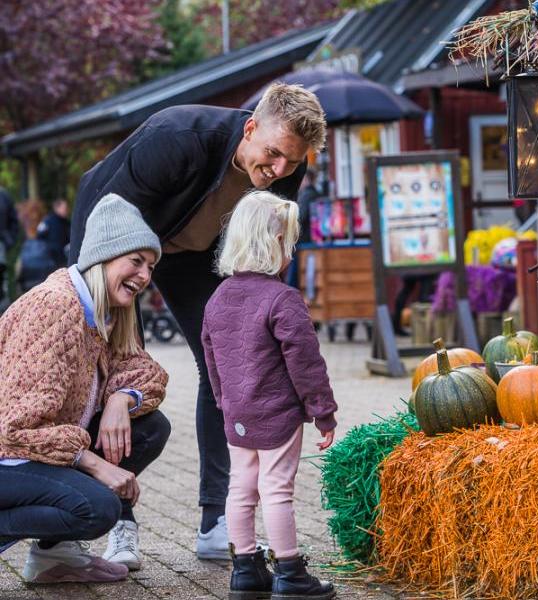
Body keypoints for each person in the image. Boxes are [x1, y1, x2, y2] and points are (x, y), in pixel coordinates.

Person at [69, 83, 327, 559]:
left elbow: (266, 250)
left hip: (196, 256)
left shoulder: (289, 163)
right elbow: (108, 218)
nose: (278, 172)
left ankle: (217, 520)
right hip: (119, 245)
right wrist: (100, 311)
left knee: (229, 368)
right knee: (119, 374)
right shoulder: (177, 137)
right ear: (250, 128)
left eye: (291, 162)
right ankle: (120, 522)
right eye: (271, 155)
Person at [0, 193, 170, 582]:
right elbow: (18, 430)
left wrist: (119, 400)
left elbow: (148, 372)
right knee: (96, 508)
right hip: (8, 454)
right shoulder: (56, 307)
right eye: (136, 261)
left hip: (34, 451)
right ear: (104, 256)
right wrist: (95, 464)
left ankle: (53, 556)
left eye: (151, 266)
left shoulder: (104, 312)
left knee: (151, 426)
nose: (145, 276)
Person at [202, 191, 337, 600]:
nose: (291, 253)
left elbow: (211, 358)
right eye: (289, 243)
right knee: (277, 489)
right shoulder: (282, 299)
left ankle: (245, 569)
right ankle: (290, 571)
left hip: (237, 416)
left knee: (240, 488)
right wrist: (322, 411)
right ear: (274, 244)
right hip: (277, 414)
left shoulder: (217, 298)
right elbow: (306, 362)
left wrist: (224, 401)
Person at [37, 198, 71, 268]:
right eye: (64, 208)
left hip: (63, 258)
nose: (66, 210)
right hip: (50, 259)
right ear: (57, 208)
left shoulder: (67, 223)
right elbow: (40, 236)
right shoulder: (48, 221)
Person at [0, 188, 19, 304]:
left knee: (4, 280)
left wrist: (9, 240)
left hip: (2, 245)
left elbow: (14, 221)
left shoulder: (4, 196)